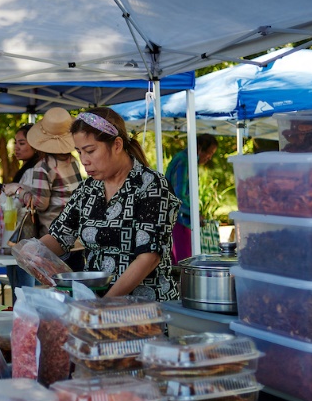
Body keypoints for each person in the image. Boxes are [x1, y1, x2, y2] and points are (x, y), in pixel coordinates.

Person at [41, 107, 180, 300]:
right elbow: (59, 236)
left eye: (90, 151)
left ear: (116, 145)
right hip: (94, 303)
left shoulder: (151, 185)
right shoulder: (88, 189)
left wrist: (106, 304)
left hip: (145, 307)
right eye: (79, 152)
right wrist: (30, 252)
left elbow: (148, 257)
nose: (84, 160)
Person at [0, 111, 84, 285]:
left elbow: (40, 203)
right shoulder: (72, 161)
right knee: (76, 292)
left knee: (56, 292)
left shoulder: (43, 166)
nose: (17, 147)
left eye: (22, 143)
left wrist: (18, 190)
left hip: (56, 240)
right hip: (77, 240)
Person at [164, 134, 218, 265]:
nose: (209, 157)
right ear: (199, 148)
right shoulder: (184, 161)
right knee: (185, 264)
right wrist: (195, 215)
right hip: (178, 220)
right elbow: (178, 197)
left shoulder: (184, 159)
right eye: (209, 153)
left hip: (176, 219)